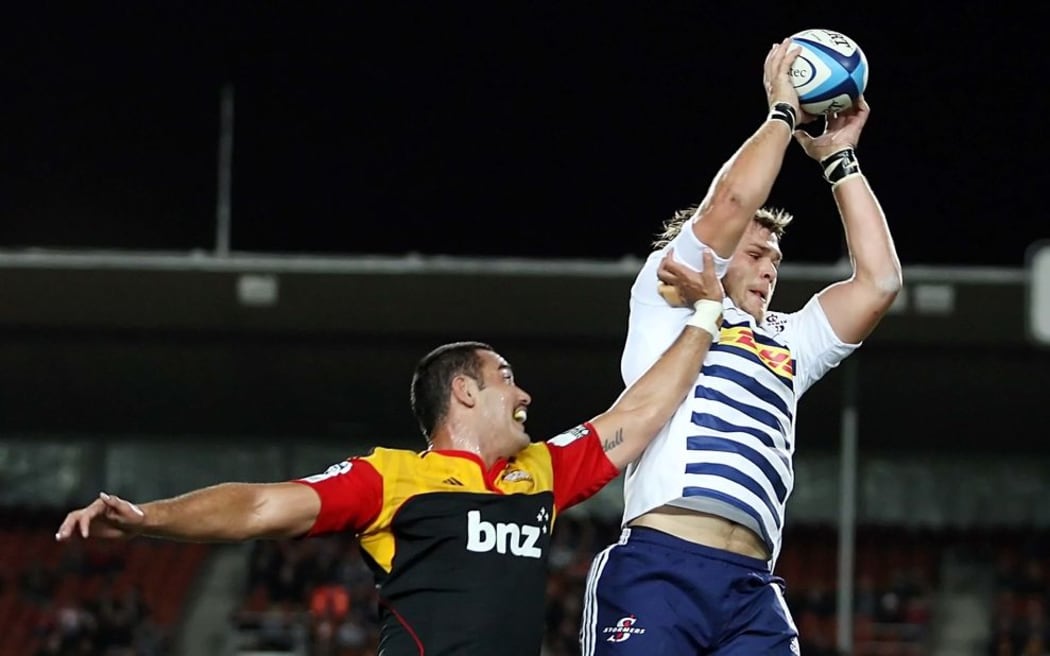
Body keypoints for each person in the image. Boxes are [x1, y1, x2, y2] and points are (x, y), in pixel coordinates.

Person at [56, 262, 725, 656]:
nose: (525, 394)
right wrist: (147, 517)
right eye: (506, 377)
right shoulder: (390, 480)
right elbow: (260, 504)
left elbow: (635, 419)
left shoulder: (541, 473)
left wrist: (704, 320)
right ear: (464, 391)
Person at [580, 37, 902, 654]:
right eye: (756, 253)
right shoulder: (669, 295)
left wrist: (839, 159)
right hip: (660, 567)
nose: (770, 268)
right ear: (720, 257)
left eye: (777, 258)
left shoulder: (789, 338)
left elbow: (880, 283)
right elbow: (731, 202)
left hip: (753, 588)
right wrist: (782, 113)